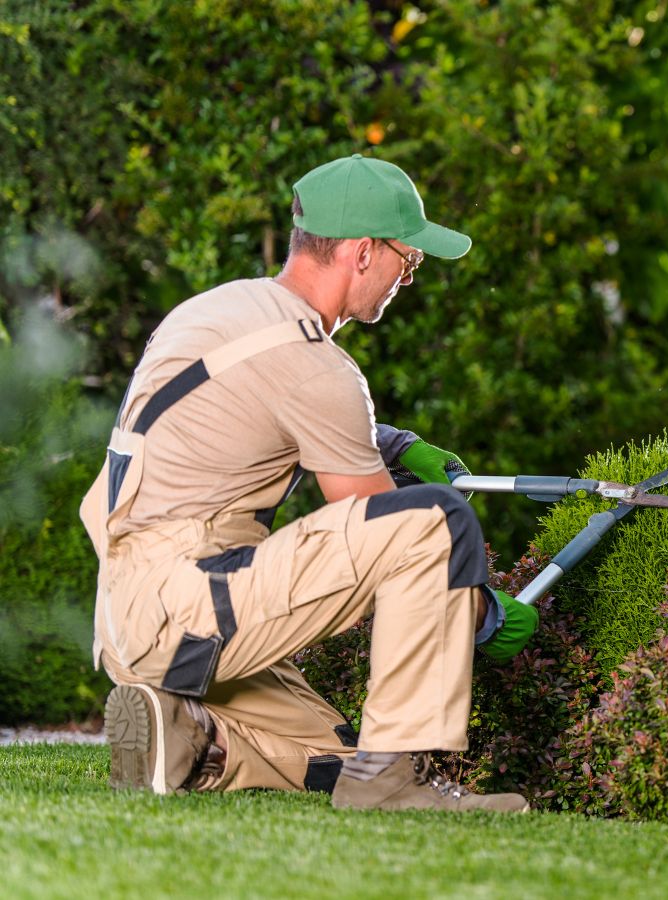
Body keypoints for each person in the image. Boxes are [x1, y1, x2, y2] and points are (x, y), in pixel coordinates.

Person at [79, 154, 538, 812]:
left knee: (340, 754)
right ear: (359, 253)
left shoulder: (221, 311)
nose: (409, 278)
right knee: (437, 522)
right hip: (190, 608)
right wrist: (485, 615)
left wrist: (397, 445)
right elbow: (389, 537)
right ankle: (389, 784)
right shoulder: (317, 366)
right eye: (408, 260)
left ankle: (192, 736)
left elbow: (250, 418)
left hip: (134, 616)